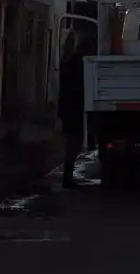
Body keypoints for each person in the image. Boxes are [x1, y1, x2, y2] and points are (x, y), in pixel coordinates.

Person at [57, 33, 88, 189]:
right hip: (75, 108)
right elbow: (80, 85)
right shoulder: (76, 62)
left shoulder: (65, 61)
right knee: (74, 143)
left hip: (66, 108)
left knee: (71, 143)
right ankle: (67, 178)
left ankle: (67, 177)